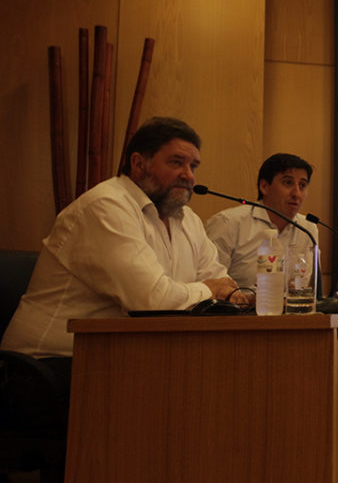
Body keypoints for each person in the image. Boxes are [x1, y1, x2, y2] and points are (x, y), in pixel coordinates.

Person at [1, 116, 246, 361]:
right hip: (51, 363)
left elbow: (219, 281)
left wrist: (232, 295)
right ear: (139, 164)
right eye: (176, 162)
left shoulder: (188, 219)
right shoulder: (106, 206)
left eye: (193, 166)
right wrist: (210, 290)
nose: (188, 176)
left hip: (122, 356)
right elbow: (152, 302)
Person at [204, 153, 318, 288]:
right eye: (288, 183)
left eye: (302, 185)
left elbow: (305, 286)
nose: (297, 193)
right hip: (237, 308)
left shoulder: (308, 228)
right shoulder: (228, 223)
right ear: (264, 186)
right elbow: (211, 286)